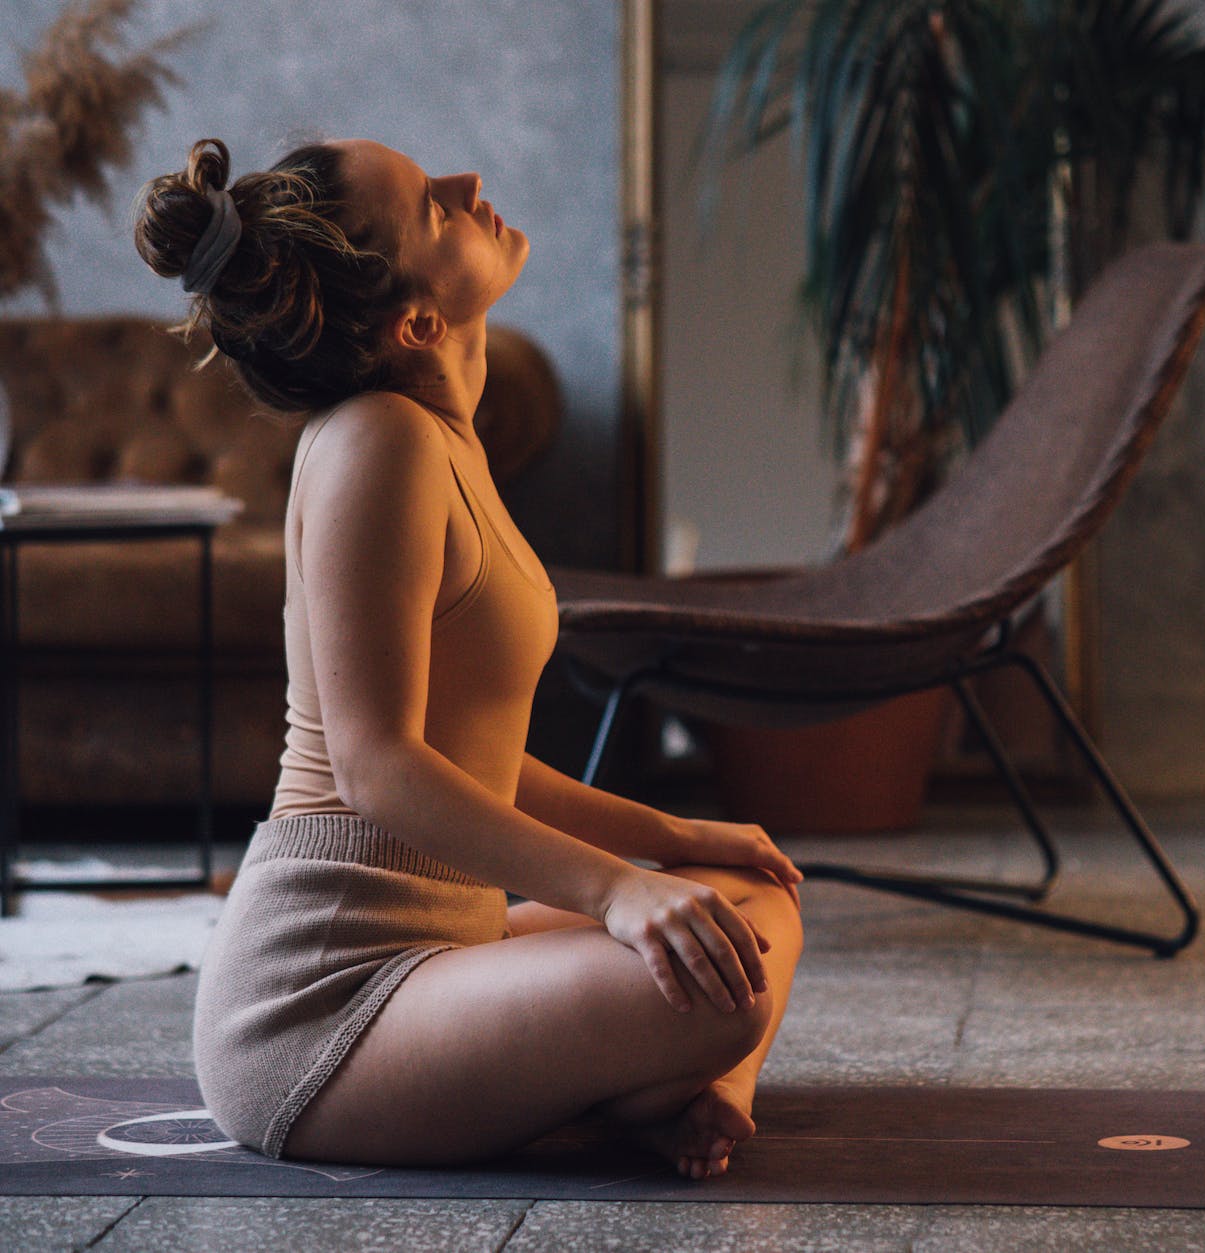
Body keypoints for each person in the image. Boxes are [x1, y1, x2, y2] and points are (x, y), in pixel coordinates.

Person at [132, 136, 804, 1177]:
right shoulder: (376, 443)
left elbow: (474, 764)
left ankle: (700, 1090)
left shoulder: (445, 440)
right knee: (728, 985)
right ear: (416, 322)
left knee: (743, 900)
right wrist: (617, 890)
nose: (469, 188)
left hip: (450, 948)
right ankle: (663, 1076)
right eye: (435, 211)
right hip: (325, 1014)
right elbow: (378, 766)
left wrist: (672, 834)